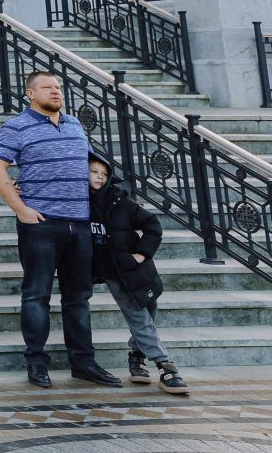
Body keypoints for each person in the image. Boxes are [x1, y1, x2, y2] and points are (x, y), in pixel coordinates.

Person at [0, 70, 122, 390]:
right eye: (47, 87)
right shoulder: (16, 126)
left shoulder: (75, 124)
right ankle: (36, 363)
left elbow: (84, 168)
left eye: (59, 87)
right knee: (36, 296)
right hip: (42, 225)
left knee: (78, 298)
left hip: (81, 225)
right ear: (31, 94)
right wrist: (21, 210)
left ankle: (84, 364)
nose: (56, 91)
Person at [88, 154, 188, 394]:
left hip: (136, 268)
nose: (99, 177)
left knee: (148, 309)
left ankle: (136, 356)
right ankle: (165, 366)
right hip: (111, 271)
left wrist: (142, 254)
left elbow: (153, 225)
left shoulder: (121, 201)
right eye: (94, 172)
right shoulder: (77, 202)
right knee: (138, 315)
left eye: (103, 173)